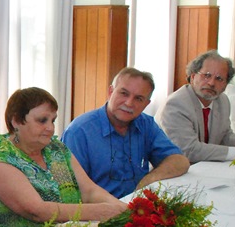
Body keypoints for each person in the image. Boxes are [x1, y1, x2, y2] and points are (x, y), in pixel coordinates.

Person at [0, 87, 126, 227]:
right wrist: (100, 212)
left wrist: (125, 211)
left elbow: (89, 191)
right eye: (42, 120)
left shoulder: (55, 149)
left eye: (52, 120)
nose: (50, 128)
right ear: (16, 121)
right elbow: (38, 211)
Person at [62, 67, 189, 199]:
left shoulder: (146, 124)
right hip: (98, 208)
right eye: (124, 93)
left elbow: (179, 161)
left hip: (138, 203)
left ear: (146, 104)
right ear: (110, 92)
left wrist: (148, 181)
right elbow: (69, 191)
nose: (129, 103)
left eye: (138, 99)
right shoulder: (79, 132)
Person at [156, 50, 235, 163]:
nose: (211, 83)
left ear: (225, 85)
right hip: (172, 167)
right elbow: (188, 150)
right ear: (193, 77)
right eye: (206, 75)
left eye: (219, 79)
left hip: (203, 166)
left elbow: (224, 134)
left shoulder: (223, 101)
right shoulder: (176, 104)